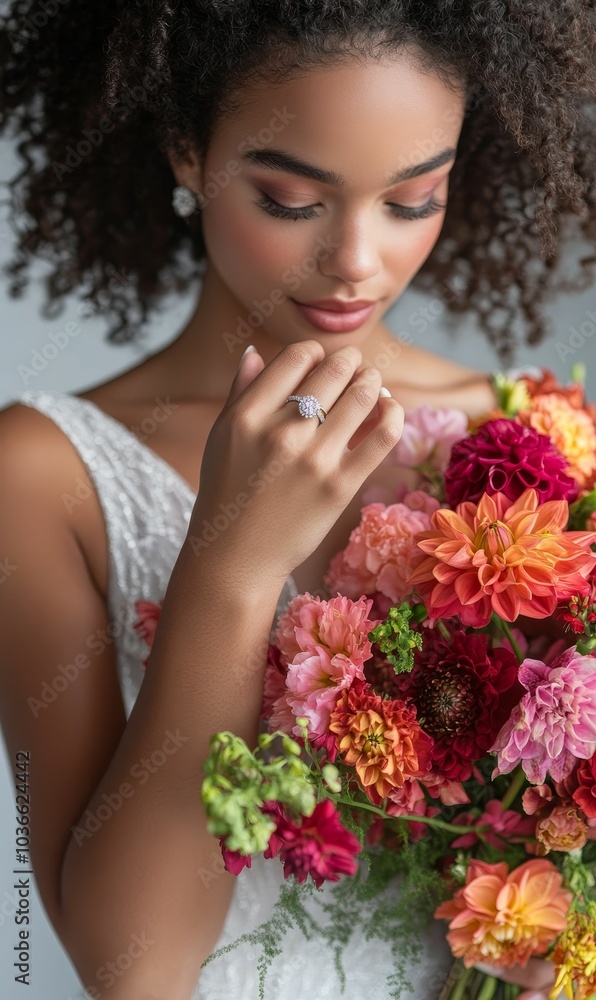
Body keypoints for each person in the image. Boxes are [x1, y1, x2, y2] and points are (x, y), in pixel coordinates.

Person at [0, 3, 594, 998]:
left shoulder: (532, 451)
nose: (358, 261)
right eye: (288, 199)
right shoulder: (40, 473)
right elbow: (130, 971)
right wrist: (229, 573)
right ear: (187, 150)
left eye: (412, 200)